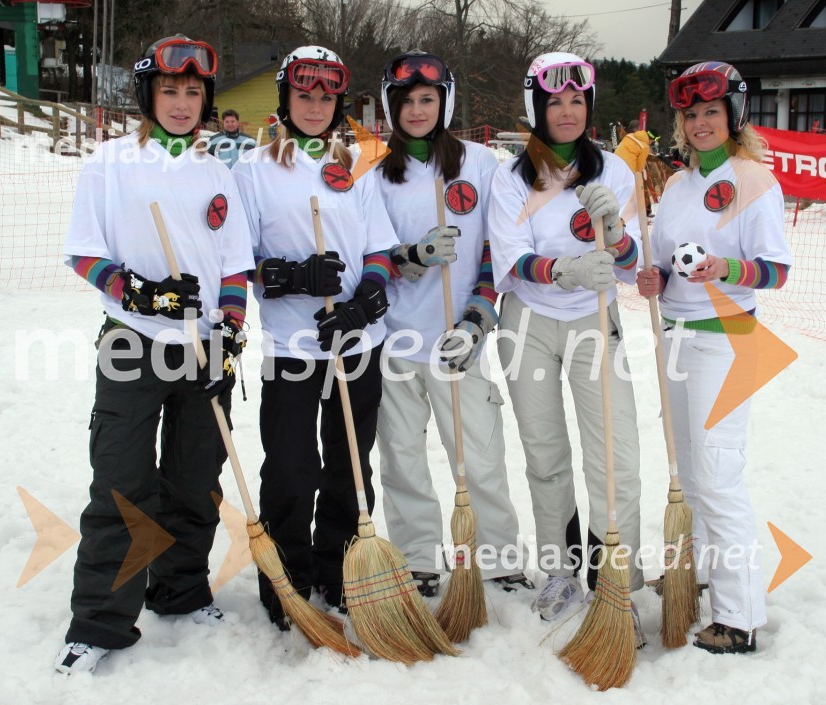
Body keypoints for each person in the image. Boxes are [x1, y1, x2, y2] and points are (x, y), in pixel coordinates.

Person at [55, 35, 255, 674]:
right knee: (121, 481)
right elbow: (83, 251)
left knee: (195, 479)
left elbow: (234, 265)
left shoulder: (217, 170)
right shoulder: (110, 163)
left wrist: (230, 331)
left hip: (201, 344)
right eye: (170, 91)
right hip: (131, 343)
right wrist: (134, 290)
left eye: (193, 92)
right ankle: (99, 623)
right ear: (148, 95)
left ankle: (181, 590)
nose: (181, 102)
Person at [232, 46, 398, 628]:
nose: (315, 106)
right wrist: (289, 276)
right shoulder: (253, 171)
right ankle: (289, 578)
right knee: (291, 465)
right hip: (291, 344)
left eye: (326, 97)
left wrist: (364, 300)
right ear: (286, 99)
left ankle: (341, 568)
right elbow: (239, 258)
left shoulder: (359, 164)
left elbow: (378, 249)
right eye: (305, 95)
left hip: (356, 342)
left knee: (351, 464)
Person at [487, 52, 645, 639]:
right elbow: (513, 258)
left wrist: (620, 236)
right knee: (545, 453)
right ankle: (561, 569)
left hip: (593, 320)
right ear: (537, 107)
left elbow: (631, 265)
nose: (568, 111)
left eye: (578, 100)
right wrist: (565, 270)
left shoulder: (616, 172)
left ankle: (616, 576)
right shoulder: (510, 178)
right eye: (555, 101)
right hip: (528, 321)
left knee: (615, 454)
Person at [637, 60, 791, 654]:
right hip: (677, 335)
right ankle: (699, 575)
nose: (701, 123)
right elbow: (655, 262)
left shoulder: (755, 179)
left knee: (719, 474)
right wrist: (649, 279)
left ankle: (740, 615)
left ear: (734, 115)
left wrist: (725, 267)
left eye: (712, 111)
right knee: (692, 471)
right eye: (692, 113)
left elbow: (776, 269)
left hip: (726, 338)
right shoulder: (676, 186)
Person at [374, 50, 530, 598]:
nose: (417, 110)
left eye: (427, 99)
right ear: (391, 108)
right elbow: (370, 261)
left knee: (480, 455)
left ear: (445, 102)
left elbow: (498, 251)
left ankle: (499, 556)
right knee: (401, 460)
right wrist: (408, 256)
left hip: (456, 342)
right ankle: (417, 555)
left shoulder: (483, 166)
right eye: (406, 101)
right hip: (396, 342)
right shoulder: (376, 179)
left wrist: (478, 318)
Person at [615, 119, 652, 215]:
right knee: (634, 190)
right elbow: (639, 167)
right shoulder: (645, 146)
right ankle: (641, 211)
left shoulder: (629, 136)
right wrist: (639, 177)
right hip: (628, 167)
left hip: (615, 162)